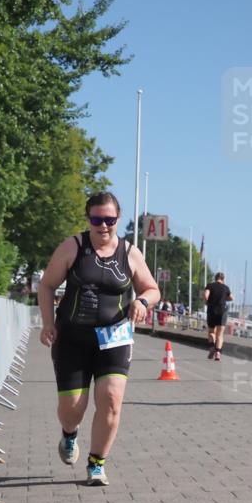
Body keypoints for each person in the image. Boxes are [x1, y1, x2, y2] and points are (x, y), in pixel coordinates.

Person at [38, 192, 160, 485]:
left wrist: (142, 302)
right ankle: (69, 434)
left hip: (114, 337)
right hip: (72, 339)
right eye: (96, 220)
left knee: (111, 399)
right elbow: (46, 285)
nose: (103, 226)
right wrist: (48, 323)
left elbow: (152, 289)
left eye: (109, 220)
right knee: (72, 409)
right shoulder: (73, 247)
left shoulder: (130, 252)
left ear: (118, 219)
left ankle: (96, 463)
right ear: (88, 219)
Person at [203, 272, 233, 360]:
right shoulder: (226, 287)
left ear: (215, 278)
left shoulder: (210, 285)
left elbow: (205, 295)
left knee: (211, 332)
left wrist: (207, 302)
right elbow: (231, 298)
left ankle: (212, 347)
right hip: (222, 312)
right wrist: (224, 298)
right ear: (223, 279)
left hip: (212, 310)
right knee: (220, 334)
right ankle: (218, 353)